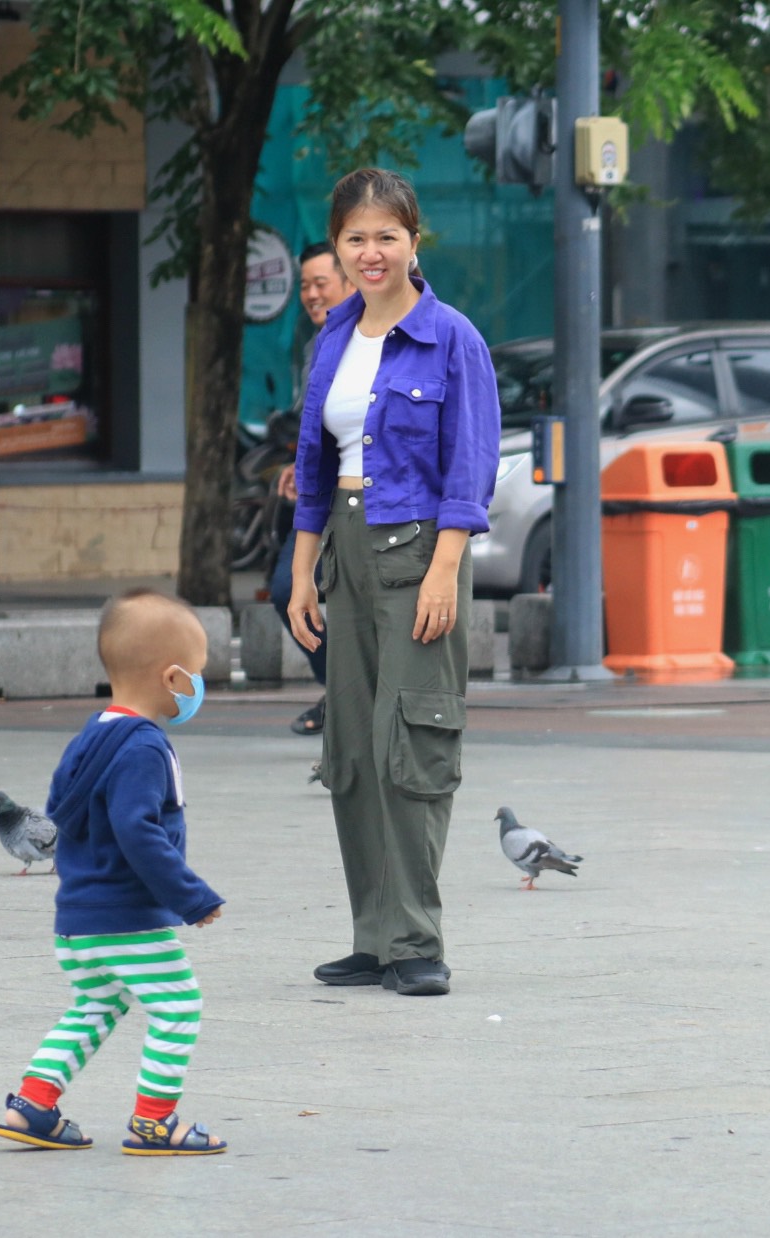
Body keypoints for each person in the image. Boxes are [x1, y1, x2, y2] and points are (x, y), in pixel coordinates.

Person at [286, 167, 501, 998]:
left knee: (410, 743)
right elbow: (314, 466)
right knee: (351, 753)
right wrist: (303, 573)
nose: (370, 252)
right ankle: (373, 938)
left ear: (415, 240)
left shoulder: (454, 339)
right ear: (338, 247)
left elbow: (469, 469)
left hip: (419, 554)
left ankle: (417, 942)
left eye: (387, 236)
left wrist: (446, 571)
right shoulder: (333, 337)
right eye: (355, 238)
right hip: (344, 550)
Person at [0, 588, 228, 1155]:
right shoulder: (146, 747)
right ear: (172, 678)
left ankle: (32, 1105)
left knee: (96, 1005)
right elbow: (137, 830)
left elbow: (65, 815)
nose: (200, 687)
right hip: (126, 918)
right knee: (178, 1005)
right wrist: (192, 897)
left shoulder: (88, 737)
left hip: (78, 919)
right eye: (197, 674)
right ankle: (154, 1122)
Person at [269, 242, 355, 735]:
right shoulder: (315, 346)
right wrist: (295, 465)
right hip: (321, 503)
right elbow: (314, 425)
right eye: (304, 285)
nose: (311, 293)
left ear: (349, 282)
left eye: (320, 282)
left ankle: (354, 701)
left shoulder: (377, 340)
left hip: (368, 501)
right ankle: (338, 692)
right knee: (287, 589)